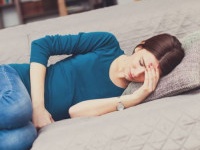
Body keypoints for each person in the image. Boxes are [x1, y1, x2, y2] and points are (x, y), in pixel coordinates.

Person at [0, 32, 184, 150]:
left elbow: (75, 111)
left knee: (20, 140)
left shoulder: (123, 97)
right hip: (13, 79)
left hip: (26, 120)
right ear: (140, 46)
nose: (136, 73)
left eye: (147, 74)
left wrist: (137, 97)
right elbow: (41, 44)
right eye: (141, 63)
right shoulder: (107, 44)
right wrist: (38, 108)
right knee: (18, 108)